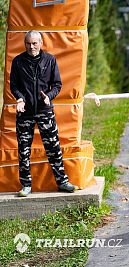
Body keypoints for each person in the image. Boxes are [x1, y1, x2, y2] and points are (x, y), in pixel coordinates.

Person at [10, 30, 78, 197]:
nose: (31, 47)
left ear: (41, 43)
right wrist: (19, 99)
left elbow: (57, 85)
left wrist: (49, 96)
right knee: (23, 150)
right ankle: (26, 186)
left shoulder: (50, 60)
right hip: (24, 112)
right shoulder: (18, 61)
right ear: (24, 44)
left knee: (53, 147)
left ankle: (62, 182)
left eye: (34, 43)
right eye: (28, 43)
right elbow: (14, 85)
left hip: (45, 111)